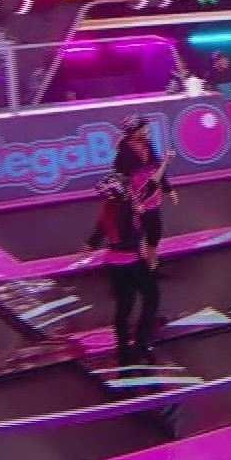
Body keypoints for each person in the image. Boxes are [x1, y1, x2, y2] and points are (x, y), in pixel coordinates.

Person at [86, 172, 158, 364]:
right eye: (126, 187)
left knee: (124, 305)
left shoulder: (107, 209)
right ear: (122, 191)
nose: (130, 189)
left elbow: (97, 234)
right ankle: (141, 343)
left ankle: (123, 348)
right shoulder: (127, 206)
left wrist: (88, 247)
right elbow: (150, 187)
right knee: (152, 297)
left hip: (112, 264)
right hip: (132, 262)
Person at [113, 115, 175, 264]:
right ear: (134, 132)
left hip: (152, 195)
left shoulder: (149, 145)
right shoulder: (123, 152)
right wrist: (133, 202)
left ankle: (151, 262)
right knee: (136, 233)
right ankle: (140, 264)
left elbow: (157, 167)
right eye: (142, 128)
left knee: (155, 231)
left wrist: (168, 189)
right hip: (136, 198)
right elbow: (122, 181)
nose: (146, 130)